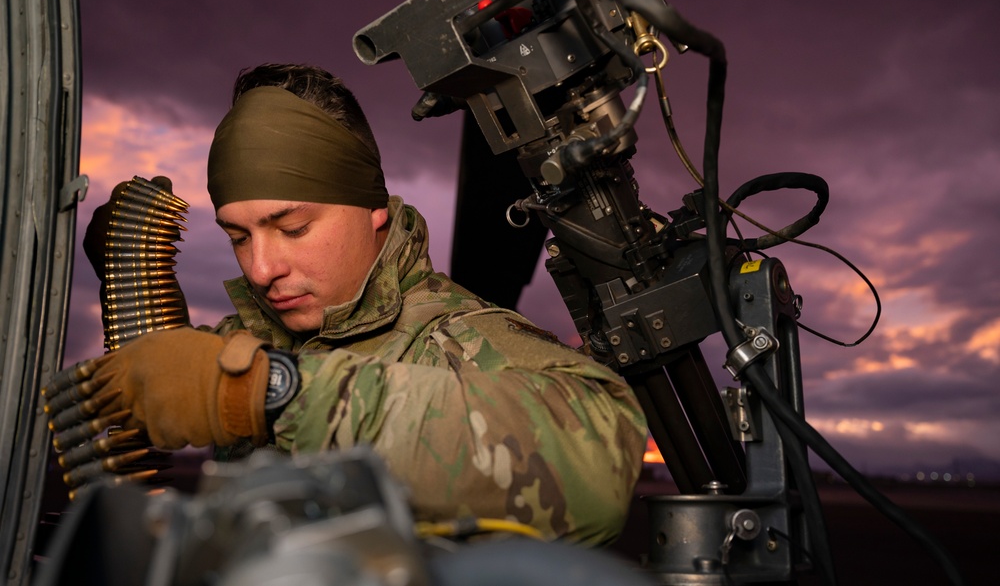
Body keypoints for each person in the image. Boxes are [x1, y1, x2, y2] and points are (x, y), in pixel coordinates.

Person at [49, 63, 647, 545]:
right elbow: (159, 396)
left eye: (293, 227)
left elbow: (601, 472)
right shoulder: (262, 337)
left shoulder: (459, 338)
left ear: (373, 210)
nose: (261, 268)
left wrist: (272, 390)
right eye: (238, 236)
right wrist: (131, 280)